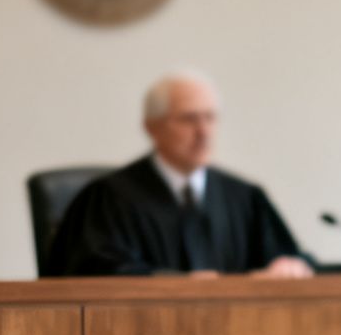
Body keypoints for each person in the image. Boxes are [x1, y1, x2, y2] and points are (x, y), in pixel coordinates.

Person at [47, 73, 314, 277]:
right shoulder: (109, 198)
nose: (203, 131)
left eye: (210, 118)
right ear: (152, 127)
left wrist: (292, 266)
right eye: (189, 119)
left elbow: (290, 257)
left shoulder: (244, 197)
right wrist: (173, 284)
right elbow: (92, 273)